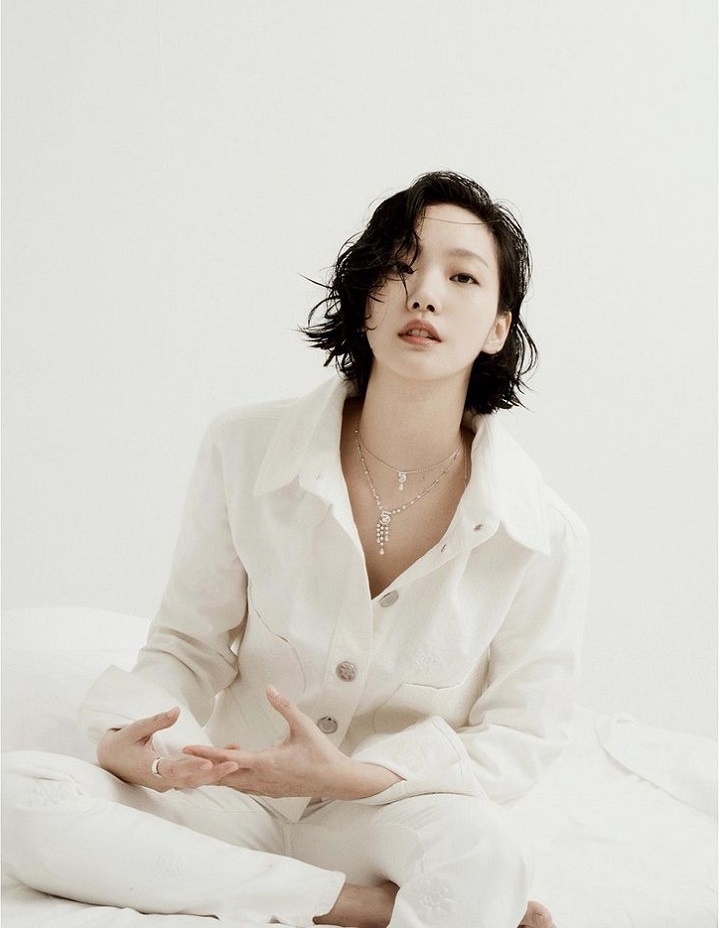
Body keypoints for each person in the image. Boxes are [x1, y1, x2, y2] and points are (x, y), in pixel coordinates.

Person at [3, 171, 589, 927]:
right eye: (400, 267)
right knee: (20, 797)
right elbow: (189, 645)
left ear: (498, 328)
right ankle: (356, 908)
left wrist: (354, 777)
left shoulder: (543, 533)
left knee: (489, 855)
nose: (423, 294)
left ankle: (331, 886)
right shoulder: (244, 447)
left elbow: (519, 736)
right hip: (230, 790)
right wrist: (138, 739)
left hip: (385, 814)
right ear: (365, 298)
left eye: (462, 276)